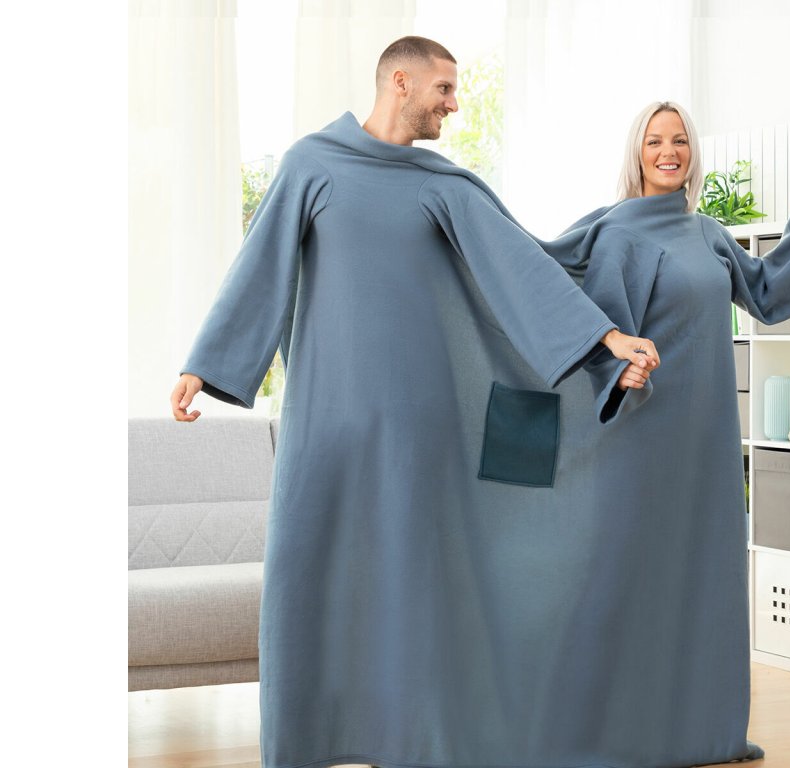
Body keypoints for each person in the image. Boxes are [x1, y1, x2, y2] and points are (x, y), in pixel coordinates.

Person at [169, 36, 661, 768]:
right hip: (325, 425)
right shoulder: (312, 165)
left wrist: (606, 339)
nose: (455, 105)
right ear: (400, 82)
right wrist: (205, 365)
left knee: (411, 585)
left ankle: (410, 745)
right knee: (308, 576)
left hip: (419, 431)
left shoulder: (443, 185)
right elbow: (260, 262)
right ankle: (306, 744)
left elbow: (521, 270)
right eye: (445, 89)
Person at [539, 100, 790, 766]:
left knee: (707, 576)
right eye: (655, 141)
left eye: (680, 140)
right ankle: (618, 732)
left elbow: (767, 291)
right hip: (640, 434)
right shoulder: (619, 233)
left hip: (707, 437)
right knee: (632, 578)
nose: (669, 152)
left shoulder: (708, 232)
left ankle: (707, 734)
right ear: (637, 152)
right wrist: (617, 369)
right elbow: (599, 326)